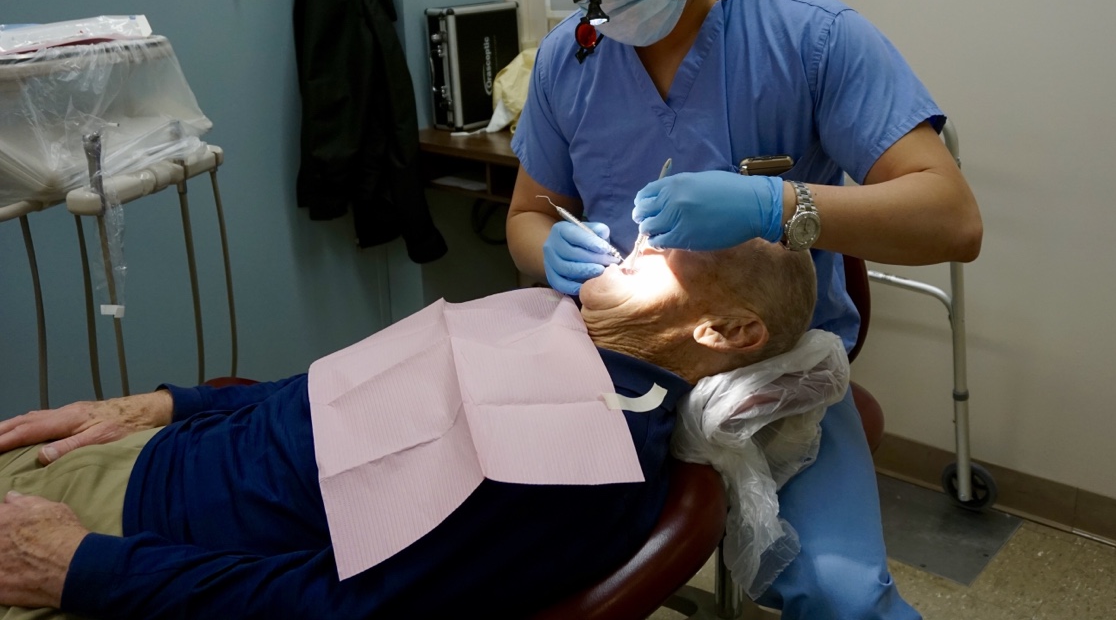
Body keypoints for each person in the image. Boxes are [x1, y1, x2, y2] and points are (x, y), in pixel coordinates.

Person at [505, 0, 983, 618]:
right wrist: (544, 249)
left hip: (775, 375)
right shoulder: (566, 64)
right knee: (489, 555)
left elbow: (952, 218)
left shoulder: (813, 36)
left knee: (841, 596)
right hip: (607, 366)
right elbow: (527, 214)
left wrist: (775, 204)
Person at [0, 239, 815, 620]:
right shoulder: (548, 322)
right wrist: (171, 405)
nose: (639, 238)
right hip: (147, 452)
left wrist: (85, 569)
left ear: (725, 332)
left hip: (126, 543)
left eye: (673, 248)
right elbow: (335, 397)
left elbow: (342, 610)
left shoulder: (578, 464)